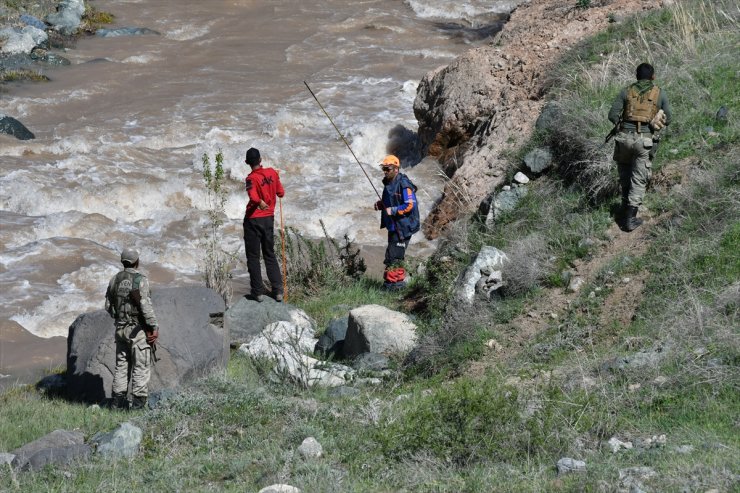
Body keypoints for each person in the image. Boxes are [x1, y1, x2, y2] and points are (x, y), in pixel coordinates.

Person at [608, 62, 672, 231]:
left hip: (623, 139)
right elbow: (669, 119)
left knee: (625, 173)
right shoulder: (660, 93)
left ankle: (624, 207)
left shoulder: (626, 91)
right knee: (638, 178)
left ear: (636, 76)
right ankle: (630, 219)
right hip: (644, 141)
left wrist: (622, 124)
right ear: (653, 77)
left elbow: (612, 115)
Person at [105, 248, 159, 410]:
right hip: (138, 330)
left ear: (123, 262)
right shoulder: (140, 280)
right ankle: (138, 405)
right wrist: (154, 326)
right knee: (140, 367)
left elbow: (108, 306)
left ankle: (117, 404)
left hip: (120, 329)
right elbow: (145, 306)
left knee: (121, 366)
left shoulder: (114, 280)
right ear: (137, 262)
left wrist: (121, 317)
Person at [243, 147, 285, 302]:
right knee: (269, 254)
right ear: (261, 160)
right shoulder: (273, 173)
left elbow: (252, 196)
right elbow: (281, 193)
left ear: (247, 162)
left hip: (253, 220)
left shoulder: (250, 178)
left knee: (253, 257)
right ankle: (278, 290)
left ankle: (258, 292)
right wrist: (275, 180)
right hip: (268, 219)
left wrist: (260, 201)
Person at [373, 154, 420, 290]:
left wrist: (393, 211)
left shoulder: (404, 185)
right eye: (384, 169)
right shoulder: (389, 182)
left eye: (388, 169)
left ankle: (396, 285)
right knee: (391, 255)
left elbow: (409, 205)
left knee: (396, 256)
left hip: (404, 227)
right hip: (393, 226)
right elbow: (391, 200)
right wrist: (381, 205)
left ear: (396, 169)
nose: (385, 171)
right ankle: (390, 283)